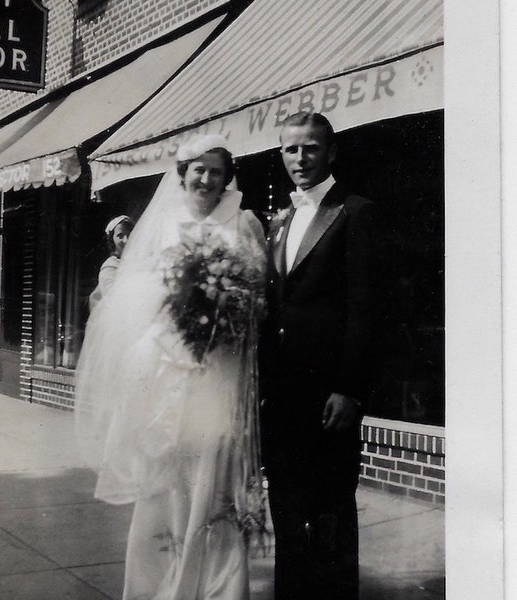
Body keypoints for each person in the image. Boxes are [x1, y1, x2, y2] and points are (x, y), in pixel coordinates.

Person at [75, 134, 267, 600]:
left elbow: (260, 296)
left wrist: (230, 307)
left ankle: (218, 589)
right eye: (198, 169)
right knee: (165, 484)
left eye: (215, 171)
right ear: (182, 174)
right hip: (165, 371)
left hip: (221, 374)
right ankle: (158, 586)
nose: (206, 178)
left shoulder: (243, 223)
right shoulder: (161, 227)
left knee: (213, 481)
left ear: (227, 179)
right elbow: (134, 301)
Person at [260, 112, 377, 600]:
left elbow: (367, 310)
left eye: (310, 148)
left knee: (330, 515)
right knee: (286, 515)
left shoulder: (356, 211)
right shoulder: (280, 221)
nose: (300, 158)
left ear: (330, 153)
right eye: (291, 149)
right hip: (281, 397)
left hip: (329, 397)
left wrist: (350, 388)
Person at [88, 215, 135, 311]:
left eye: (130, 234)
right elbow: (114, 301)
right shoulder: (110, 267)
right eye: (120, 236)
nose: (126, 240)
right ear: (112, 240)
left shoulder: (138, 261)